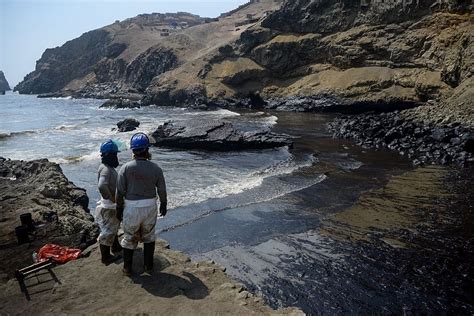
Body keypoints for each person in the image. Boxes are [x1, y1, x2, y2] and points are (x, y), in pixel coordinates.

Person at [116, 132, 167, 276]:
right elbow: (161, 189)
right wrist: (164, 204)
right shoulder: (156, 168)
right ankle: (148, 267)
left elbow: (119, 192)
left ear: (133, 150)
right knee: (149, 236)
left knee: (129, 237)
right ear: (147, 150)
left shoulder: (125, 168)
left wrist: (119, 208)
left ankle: (127, 268)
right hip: (150, 206)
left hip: (131, 207)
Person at [96, 139, 122, 265]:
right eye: (115, 155)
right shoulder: (106, 169)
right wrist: (112, 198)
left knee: (113, 227)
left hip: (110, 204)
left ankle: (115, 246)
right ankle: (105, 258)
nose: (116, 157)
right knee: (108, 231)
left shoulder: (106, 167)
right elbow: (102, 186)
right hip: (109, 206)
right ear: (108, 155)